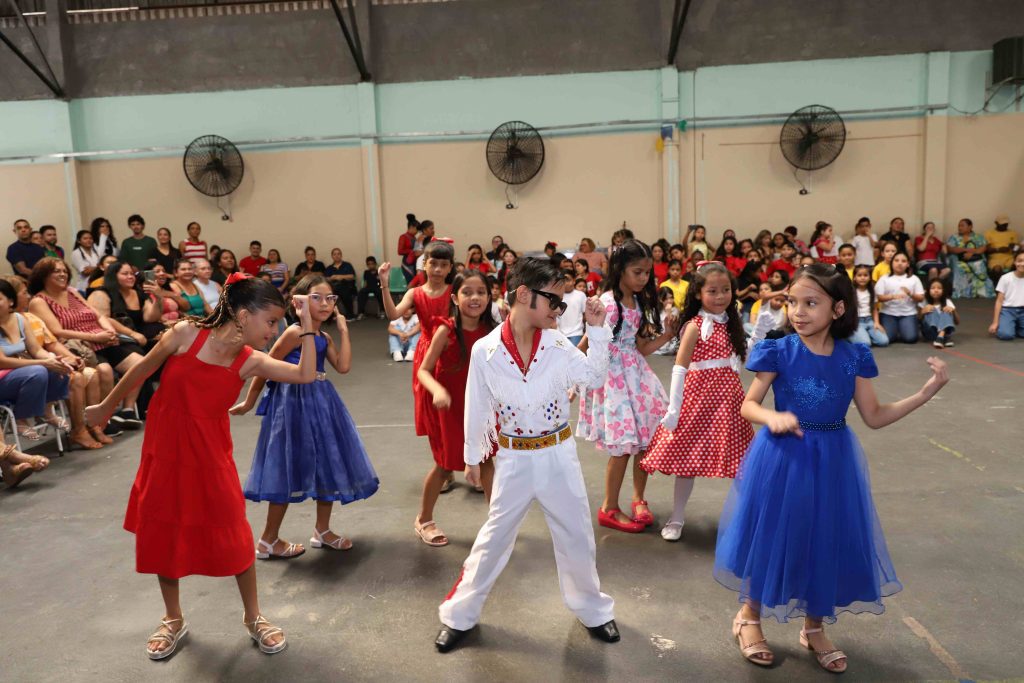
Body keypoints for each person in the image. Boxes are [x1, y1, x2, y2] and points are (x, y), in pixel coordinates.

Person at [714, 264, 949, 672]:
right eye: (793, 302)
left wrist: (926, 392)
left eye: (811, 303)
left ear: (838, 309)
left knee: (823, 536)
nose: (799, 311)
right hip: (784, 456)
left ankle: (814, 625)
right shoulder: (779, 350)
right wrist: (771, 418)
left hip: (833, 459)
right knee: (774, 533)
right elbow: (747, 404)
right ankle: (749, 616)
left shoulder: (852, 356)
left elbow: (874, 415)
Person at [85, 277, 319, 660]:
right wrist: (106, 406)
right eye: (271, 321)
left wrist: (307, 324)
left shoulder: (250, 360)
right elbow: (143, 369)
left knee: (233, 530)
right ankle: (173, 618)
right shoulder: (184, 335)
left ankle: (253, 616)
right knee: (164, 528)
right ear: (244, 316)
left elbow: (305, 375)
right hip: (164, 449)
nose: (275, 330)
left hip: (211, 456)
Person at [434, 257, 619, 653]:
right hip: (513, 459)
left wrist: (597, 329)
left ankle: (593, 610)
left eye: (562, 303)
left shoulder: (556, 345)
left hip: (558, 455)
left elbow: (594, 378)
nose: (558, 309)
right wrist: (472, 456)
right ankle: (459, 615)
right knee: (493, 539)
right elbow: (476, 405)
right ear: (522, 294)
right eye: (553, 300)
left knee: (577, 536)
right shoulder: (485, 351)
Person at [234, 274, 378, 560]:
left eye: (330, 299)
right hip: (292, 405)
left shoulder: (323, 337)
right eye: (317, 298)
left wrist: (343, 330)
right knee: (288, 468)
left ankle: (322, 531)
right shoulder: (293, 332)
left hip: (322, 403)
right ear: (299, 302)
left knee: (328, 462)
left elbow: (344, 366)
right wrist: (249, 401)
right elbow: (265, 366)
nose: (325, 304)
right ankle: (267, 539)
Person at [640, 261, 753, 541]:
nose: (720, 296)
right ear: (698, 294)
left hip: (729, 401)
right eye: (712, 291)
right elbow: (680, 367)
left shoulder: (732, 322)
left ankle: (743, 518)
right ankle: (677, 516)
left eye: (725, 290)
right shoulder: (694, 325)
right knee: (686, 461)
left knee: (741, 461)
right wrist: (674, 408)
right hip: (697, 399)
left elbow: (740, 359)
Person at [577, 240, 674, 533]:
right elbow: (586, 342)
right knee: (621, 449)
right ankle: (609, 507)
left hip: (637, 380)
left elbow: (640, 347)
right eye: (637, 271)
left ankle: (638, 499)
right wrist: (574, 377)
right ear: (620, 270)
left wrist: (668, 333)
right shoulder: (607, 302)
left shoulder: (637, 302)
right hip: (614, 384)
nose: (644, 278)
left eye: (647, 272)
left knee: (644, 442)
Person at [414, 271, 498, 547]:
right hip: (450, 409)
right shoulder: (445, 329)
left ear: (490, 296)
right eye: (467, 292)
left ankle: (497, 522)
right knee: (444, 464)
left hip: (482, 408)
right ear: (454, 297)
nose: (474, 297)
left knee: (486, 461)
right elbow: (425, 370)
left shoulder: (494, 331)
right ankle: (424, 519)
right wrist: (437, 389)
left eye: (481, 292)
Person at [28, 258, 144, 430]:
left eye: (64, 271)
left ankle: (126, 410)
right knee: (104, 371)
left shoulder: (72, 293)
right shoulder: (39, 301)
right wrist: (97, 337)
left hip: (103, 339)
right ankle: (103, 418)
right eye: (57, 271)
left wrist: (108, 331)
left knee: (140, 364)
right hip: (80, 345)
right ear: (43, 276)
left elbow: (98, 315)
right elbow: (57, 331)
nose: (62, 274)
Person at [378, 241, 455, 476]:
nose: (438, 270)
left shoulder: (454, 292)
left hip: (452, 354)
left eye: (444, 265)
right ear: (425, 264)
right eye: (433, 264)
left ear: (450, 267)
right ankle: (444, 468)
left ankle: (470, 466)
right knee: (433, 415)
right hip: (425, 356)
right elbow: (393, 314)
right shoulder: (415, 293)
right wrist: (384, 285)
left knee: (457, 410)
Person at [6, 275, 109, 449]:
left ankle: (91, 426)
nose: (29, 296)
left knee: (82, 372)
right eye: (24, 293)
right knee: (68, 376)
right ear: (11, 298)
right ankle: (77, 429)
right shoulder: (10, 322)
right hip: (23, 369)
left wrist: (68, 358)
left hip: (39, 362)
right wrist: (49, 362)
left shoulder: (30, 318)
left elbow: (50, 344)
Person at [0, 280, 72, 441]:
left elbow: (36, 350)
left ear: (11, 301)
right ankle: (20, 419)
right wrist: (43, 363)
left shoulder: (19, 319)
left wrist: (53, 359)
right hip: (3, 378)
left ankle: (47, 412)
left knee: (59, 368)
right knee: (38, 371)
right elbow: (2, 362)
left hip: (18, 373)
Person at [87, 261, 165, 349]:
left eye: (132, 274)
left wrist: (158, 297)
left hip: (140, 335)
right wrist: (132, 334)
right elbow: (103, 319)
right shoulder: (100, 293)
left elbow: (150, 318)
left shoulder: (139, 293)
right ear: (113, 276)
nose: (130, 277)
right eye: (125, 274)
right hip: (116, 338)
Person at [875, 253, 924, 343]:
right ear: (892, 263)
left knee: (910, 338)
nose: (900, 263)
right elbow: (878, 297)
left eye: (903, 261)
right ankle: (897, 328)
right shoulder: (884, 279)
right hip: (888, 314)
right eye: (896, 260)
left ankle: (905, 327)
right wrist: (892, 297)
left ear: (908, 264)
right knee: (888, 338)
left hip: (908, 314)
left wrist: (910, 294)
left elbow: (921, 298)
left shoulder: (914, 278)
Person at [947, 218, 994, 298]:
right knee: (958, 266)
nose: (959, 228)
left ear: (970, 227)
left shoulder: (979, 237)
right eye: (959, 226)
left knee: (979, 265)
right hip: (959, 259)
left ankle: (982, 293)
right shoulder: (954, 237)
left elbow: (983, 249)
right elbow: (950, 249)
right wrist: (965, 250)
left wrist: (971, 253)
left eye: (962, 226)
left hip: (975, 259)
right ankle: (961, 293)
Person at [849, 265, 889, 347]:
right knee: (866, 344)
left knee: (884, 341)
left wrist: (877, 323)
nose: (862, 278)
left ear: (870, 277)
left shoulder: (872, 291)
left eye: (865, 275)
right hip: (856, 322)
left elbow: (874, 309)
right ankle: (852, 335)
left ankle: (863, 335)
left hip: (869, 321)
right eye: (859, 275)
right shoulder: (851, 292)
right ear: (854, 278)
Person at [990, 251, 1024, 340]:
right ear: (1015, 262)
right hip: (1008, 310)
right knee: (1006, 335)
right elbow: (999, 301)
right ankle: (1008, 324)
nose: (1022, 264)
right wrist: (995, 322)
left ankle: (1016, 326)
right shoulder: (1006, 278)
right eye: (1019, 261)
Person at [919, 278, 958, 348]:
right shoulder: (925, 301)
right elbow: (918, 319)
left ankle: (941, 336)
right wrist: (923, 312)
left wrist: (953, 311)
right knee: (932, 309)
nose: (936, 290)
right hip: (930, 332)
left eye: (939, 288)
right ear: (928, 290)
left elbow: (957, 322)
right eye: (933, 288)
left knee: (947, 310)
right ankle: (943, 337)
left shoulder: (947, 301)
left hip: (943, 334)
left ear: (943, 291)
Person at [324, 248, 357, 318]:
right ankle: (330, 315)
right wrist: (332, 277)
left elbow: (352, 276)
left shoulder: (347, 265)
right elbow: (325, 279)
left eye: (338, 254)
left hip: (347, 286)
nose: (337, 256)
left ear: (341, 255)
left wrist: (340, 276)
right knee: (329, 293)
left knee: (344, 290)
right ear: (332, 256)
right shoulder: (329, 268)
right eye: (334, 254)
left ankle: (350, 315)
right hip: (334, 287)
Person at [985, 214, 1019, 282]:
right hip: (995, 258)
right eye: (1002, 224)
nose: (1005, 226)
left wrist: (1013, 247)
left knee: (1018, 266)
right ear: (996, 223)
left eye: (1006, 224)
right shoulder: (989, 233)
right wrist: (999, 249)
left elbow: (1016, 249)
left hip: (1009, 257)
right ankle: (1000, 289)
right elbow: (987, 250)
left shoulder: (1013, 233)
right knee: (997, 270)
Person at [557, 269, 586, 347]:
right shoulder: (557, 296)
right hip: (560, 333)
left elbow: (585, 315)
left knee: (576, 357)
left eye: (568, 280)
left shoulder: (581, 295)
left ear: (574, 280)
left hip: (577, 333)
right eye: (563, 280)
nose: (566, 283)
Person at [654, 287, 680, 356]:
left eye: (671, 298)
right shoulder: (656, 311)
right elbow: (652, 328)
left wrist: (669, 312)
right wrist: (657, 334)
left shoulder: (675, 310)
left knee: (670, 348)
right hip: (659, 337)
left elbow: (673, 327)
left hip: (671, 339)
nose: (669, 301)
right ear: (660, 299)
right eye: (666, 299)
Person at [398, 214, 421, 283]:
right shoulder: (403, 237)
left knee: (415, 283)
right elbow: (400, 251)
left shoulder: (414, 237)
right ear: (411, 227)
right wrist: (412, 251)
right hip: (407, 264)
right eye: (417, 229)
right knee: (411, 283)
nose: (417, 232)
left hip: (414, 262)